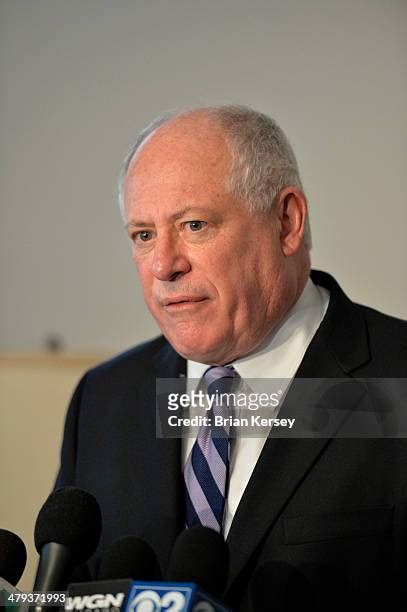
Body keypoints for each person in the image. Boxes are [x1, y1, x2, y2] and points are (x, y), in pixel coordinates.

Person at [56, 105, 407, 610]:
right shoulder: (106, 399)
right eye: (144, 235)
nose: (163, 265)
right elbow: (66, 591)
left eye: (194, 224)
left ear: (287, 221)